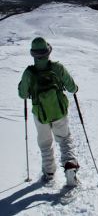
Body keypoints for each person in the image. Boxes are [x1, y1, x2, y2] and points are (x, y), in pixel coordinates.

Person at [18, 37, 79, 185]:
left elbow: (23, 95)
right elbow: (72, 88)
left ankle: (49, 172)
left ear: (33, 54)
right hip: (59, 111)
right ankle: (70, 165)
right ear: (48, 52)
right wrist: (75, 88)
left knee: (45, 143)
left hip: (40, 114)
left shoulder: (29, 73)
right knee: (64, 139)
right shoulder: (57, 68)